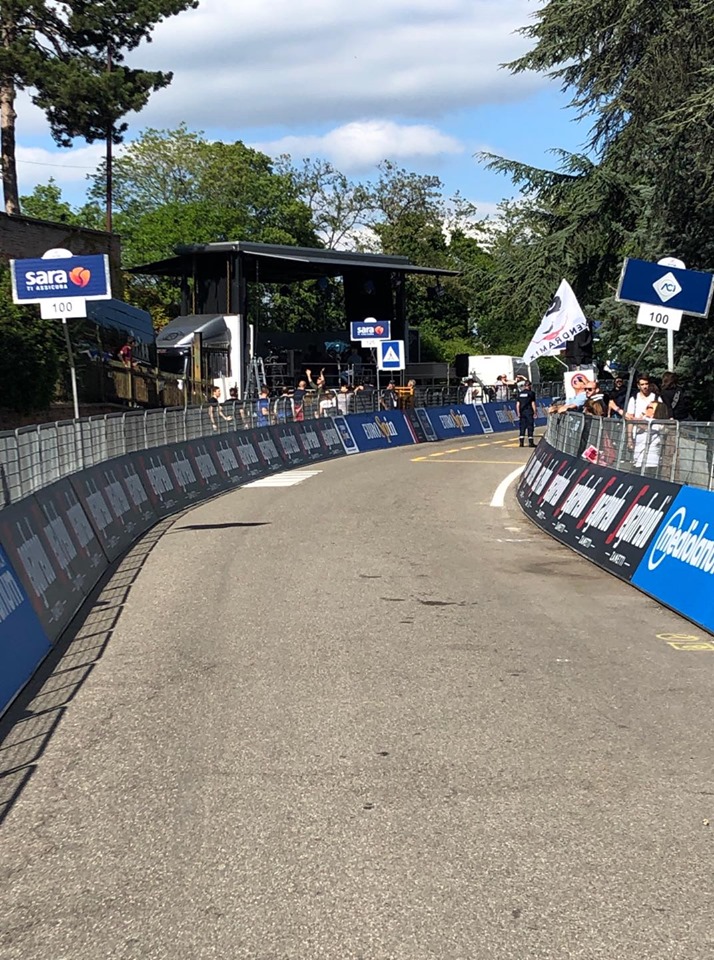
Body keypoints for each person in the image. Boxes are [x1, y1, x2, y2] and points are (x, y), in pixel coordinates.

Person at [630, 400, 671, 476]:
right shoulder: (647, 420)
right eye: (647, 407)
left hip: (649, 464)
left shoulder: (657, 424)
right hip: (638, 462)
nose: (647, 409)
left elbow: (635, 420)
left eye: (651, 408)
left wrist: (616, 408)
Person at [516, 379, 537, 447]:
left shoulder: (520, 394)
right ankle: (531, 442)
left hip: (522, 412)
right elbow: (533, 403)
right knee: (530, 426)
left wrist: (518, 413)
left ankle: (521, 442)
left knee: (522, 427)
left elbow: (518, 404)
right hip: (529, 412)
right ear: (530, 386)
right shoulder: (531, 393)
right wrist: (535, 412)